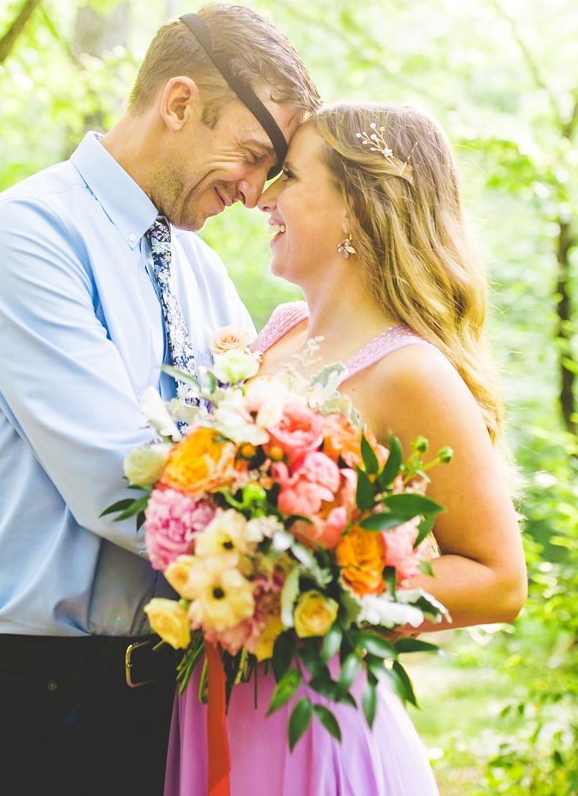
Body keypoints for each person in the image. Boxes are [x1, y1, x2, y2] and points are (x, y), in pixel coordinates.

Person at [0, 3, 320, 795]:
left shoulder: (204, 272)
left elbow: (252, 447)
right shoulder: (25, 233)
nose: (253, 193)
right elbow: (116, 484)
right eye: (251, 154)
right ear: (177, 104)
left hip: (183, 695)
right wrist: (325, 554)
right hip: (39, 705)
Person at [163, 102, 526, 795]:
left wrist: (307, 590)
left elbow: (500, 580)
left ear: (358, 209)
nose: (261, 197)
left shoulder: (411, 373)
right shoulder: (274, 336)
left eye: (289, 177)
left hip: (311, 718)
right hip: (215, 702)